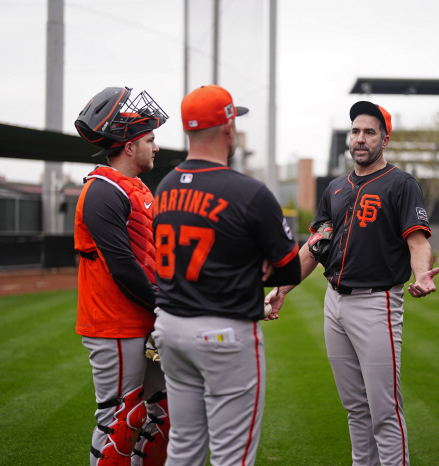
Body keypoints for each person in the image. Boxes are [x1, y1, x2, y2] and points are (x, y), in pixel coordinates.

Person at [265, 101, 439, 466]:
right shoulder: (335, 189)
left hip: (377, 304)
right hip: (335, 303)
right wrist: (282, 287)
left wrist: (421, 274)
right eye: (356, 131)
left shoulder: (401, 184)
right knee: (355, 409)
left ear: (384, 140)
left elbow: (418, 241)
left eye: (369, 132)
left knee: (385, 410)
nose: (360, 139)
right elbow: (315, 246)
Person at [151, 85, 301, 466]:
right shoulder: (249, 192)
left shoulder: (165, 186)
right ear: (229, 129)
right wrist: (257, 265)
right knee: (232, 456)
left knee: (183, 447)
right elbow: (289, 268)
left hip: (169, 328)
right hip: (223, 332)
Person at [73, 86, 171, 466]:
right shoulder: (102, 191)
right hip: (114, 324)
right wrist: (168, 305)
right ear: (129, 147)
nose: (155, 147)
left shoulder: (138, 187)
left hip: (145, 319)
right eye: (149, 140)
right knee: (121, 420)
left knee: (164, 415)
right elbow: (124, 268)